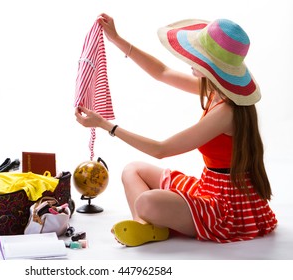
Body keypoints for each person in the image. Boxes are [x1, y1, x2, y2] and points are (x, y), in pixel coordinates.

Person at [75, 13, 278, 246]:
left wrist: (105, 125)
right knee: (132, 170)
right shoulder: (215, 90)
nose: (190, 62)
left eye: (198, 59)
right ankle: (145, 227)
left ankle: (148, 224)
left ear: (214, 69)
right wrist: (116, 38)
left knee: (145, 202)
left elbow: (162, 149)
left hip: (226, 206)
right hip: (208, 186)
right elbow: (161, 72)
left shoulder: (227, 112)